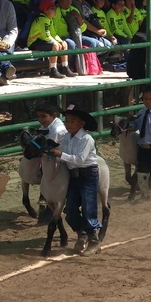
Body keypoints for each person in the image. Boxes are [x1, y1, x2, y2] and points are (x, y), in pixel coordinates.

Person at [48, 104, 102, 256]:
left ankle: (93, 240)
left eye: (72, 121)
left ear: (81, 123)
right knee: (70, 211)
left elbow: (79, 160)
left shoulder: (86, 139)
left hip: (88, 175)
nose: (68, 124)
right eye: (66, 121)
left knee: (88, 207)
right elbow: (67, 158)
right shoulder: (66, 138)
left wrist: (59, 155)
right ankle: (82, 233)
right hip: (74, 176)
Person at [27, 0, 77, 79]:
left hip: (43, 41)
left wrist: (60, 41)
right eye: (52, 9)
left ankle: (65, 67)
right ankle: (53, 69)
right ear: (46, 10)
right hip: (34, 42)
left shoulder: (49, 19)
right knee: (55, 45)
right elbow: (45, 36)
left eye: (55, 9)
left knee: (64, 43)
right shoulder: (42, 19)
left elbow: (53, 33)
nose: (55, 11)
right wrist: (56, 42)